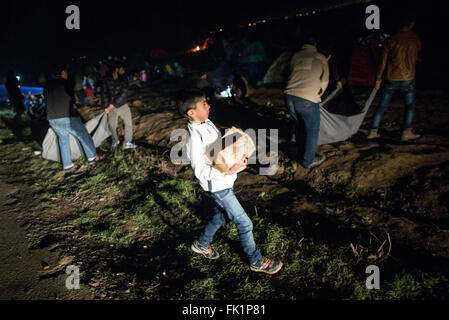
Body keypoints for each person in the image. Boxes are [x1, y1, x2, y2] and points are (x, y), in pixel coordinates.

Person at [176, 88, 283, 275]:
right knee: (245, 223)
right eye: (203, 104)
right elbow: (201, 171)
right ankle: (256, 260)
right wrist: (229, 170)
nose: (208, 105)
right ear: (191, 112)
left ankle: (201, 244)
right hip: (219, 187)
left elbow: (216, 150)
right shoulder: (193, 138)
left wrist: (235, 146)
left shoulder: (206, 123)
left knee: (220, 217)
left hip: (224, 182)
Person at [367, 15, 421, 141]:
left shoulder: (392, 39)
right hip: (408, 77)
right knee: (409, 105)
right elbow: (416, 57)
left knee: (382, 105)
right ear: (411, 24)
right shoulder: (416, 39)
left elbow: (382, 62)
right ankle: (407, 132)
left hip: (391, 77)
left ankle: (373, 131)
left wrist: (378, 79)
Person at [44, 64, 101, 171]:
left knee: (63, 140)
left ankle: (68, 166)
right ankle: (93, 157)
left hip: (52, 118)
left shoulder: (47, 85)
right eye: (65, 72)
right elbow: (72, 99)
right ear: (62, 72)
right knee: (83, 135)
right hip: (66, 116)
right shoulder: (66, 83)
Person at [285, 34, 329, 169]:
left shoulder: (296, 56)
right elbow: (325, 80)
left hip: (289, 96)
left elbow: (292, 73)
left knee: (299, 126)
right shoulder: (320, 57)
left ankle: (301, 152)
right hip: (307, 98)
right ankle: (308, 160)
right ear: (315, 44)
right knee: (312, 130)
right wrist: (318, 94)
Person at [101, 61, 137, 149]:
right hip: (110, 107)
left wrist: (112, 105)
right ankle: (114, 140)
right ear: (117, 69)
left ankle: (127, 141)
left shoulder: (124, 79)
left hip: (122, 105)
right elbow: (104, 93)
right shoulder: (106, 79)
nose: (123, 71)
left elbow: (123, 93)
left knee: (128, 123)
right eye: (122, 69)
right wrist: (106, 106)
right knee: (112, 125)